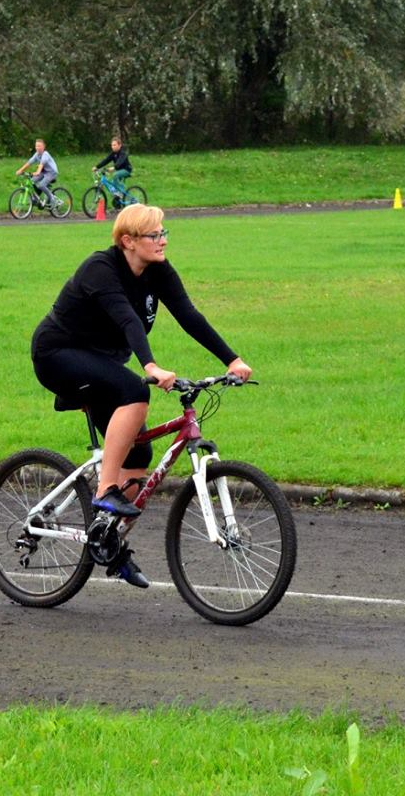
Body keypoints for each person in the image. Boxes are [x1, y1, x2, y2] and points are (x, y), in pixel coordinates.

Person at [31, 204, 252, 589]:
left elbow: (189, 315)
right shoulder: (100, 269)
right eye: (155, 235)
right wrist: (150, 366)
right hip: (58, 354)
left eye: (164, 232)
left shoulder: (158, 271)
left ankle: (111, 544)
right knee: (134, 390)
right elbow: (127, 320)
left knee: (139, 454)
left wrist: (232, 359)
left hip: (102, 361)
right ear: (128, 241)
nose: (163, 239)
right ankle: (104, 490)